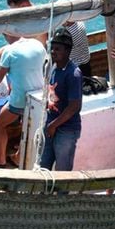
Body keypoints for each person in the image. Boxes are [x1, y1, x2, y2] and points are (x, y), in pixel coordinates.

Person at [0, 31, 47, 167]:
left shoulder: (9, 52)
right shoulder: (37, 45)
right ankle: (18, 156)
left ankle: (1, 159)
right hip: (39, 95)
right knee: (28, 125)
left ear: (7, 35)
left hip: (20, 99)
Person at [39, 29, 83, 171]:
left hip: (66, 130)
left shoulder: (73, 74)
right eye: (52, 48)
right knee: (43, 166)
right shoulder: (52, 67)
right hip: (51, 124)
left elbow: (74, 106)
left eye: (57, 49)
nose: (53, 52)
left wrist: (53, 125)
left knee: (62, 171)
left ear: (67, 51)